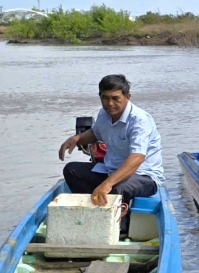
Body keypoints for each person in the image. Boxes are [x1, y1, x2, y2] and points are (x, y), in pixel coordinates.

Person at [59, 74, 164, 233]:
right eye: (105, 98)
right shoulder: (104, 114)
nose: (110, 103)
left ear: (127, 97)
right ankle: (92, 212)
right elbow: (96, 133)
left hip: (144, 176)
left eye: (115, 98)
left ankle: (118, 228)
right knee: (71, 170)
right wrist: (77, 138)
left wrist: (107, 184)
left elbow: (137, 158)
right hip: (111, 170)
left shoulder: (139, 120)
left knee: (118, 187)